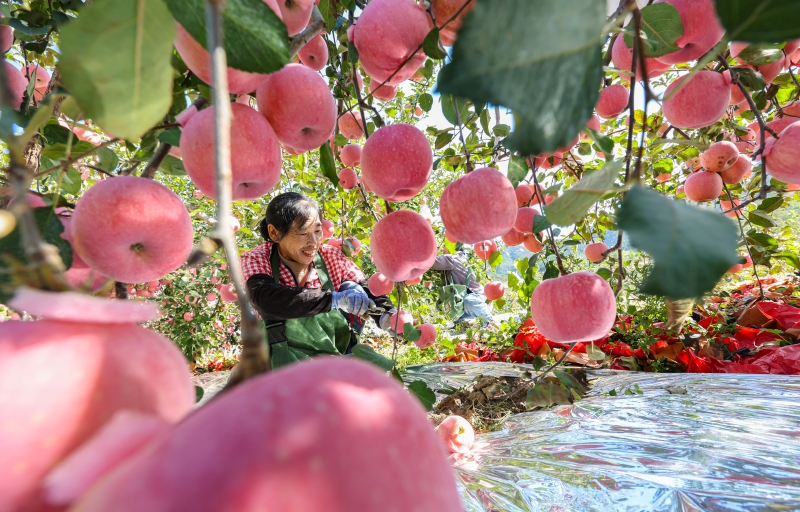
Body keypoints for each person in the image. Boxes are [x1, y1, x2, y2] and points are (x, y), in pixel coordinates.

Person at [240, 192, 396, 368]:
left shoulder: (330, 256)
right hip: (280, 359)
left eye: (317, 231)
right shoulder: (257, 258)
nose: (314, 242)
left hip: (331, 354)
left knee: (353, 288)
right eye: (303, 233)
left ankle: (345, 357)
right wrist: (335, 299)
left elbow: (365, 286)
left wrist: (387, 315)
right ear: (274, 232)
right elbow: (265, 299)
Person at [431, 245, 494, 324]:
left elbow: (430, 261)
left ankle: (490, 322)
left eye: (444, 246)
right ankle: (467, 322)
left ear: (451, 246)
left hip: (478, 302)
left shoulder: (452, 258)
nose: (442, 249)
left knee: (468, 301)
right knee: (448, 307)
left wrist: (433, 250)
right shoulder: (461, 257)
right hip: (476, 304)